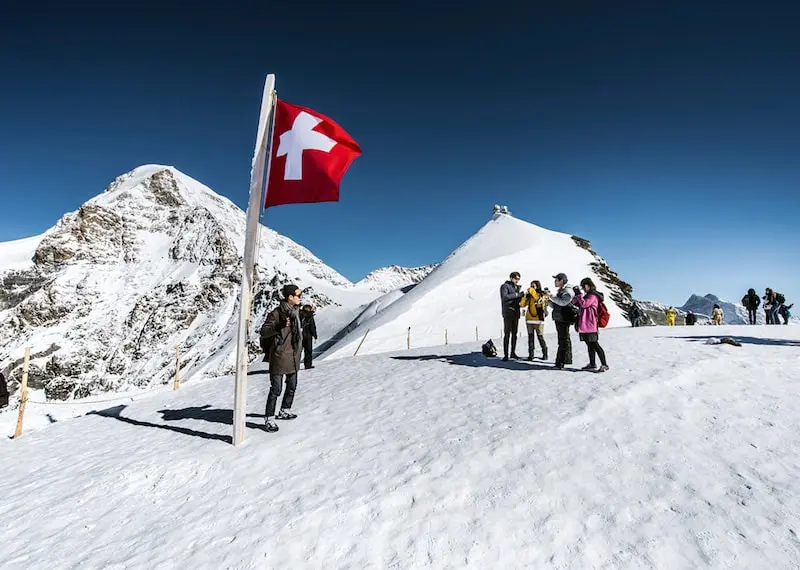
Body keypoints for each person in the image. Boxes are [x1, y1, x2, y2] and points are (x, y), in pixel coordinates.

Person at [259, 284, 303, 433]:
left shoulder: (296, 312)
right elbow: (264, 331)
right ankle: (269, 418)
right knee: (276, 389)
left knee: (292, 386)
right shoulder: (276, 313)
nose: (300, 298)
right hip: (279, 356)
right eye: (298, 295)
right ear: (290, 297)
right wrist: (277, 327)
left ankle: (284, 409)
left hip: (293, 355)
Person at [572, 277, 610, 372]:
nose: (583, 288)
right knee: (590, 345)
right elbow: (577, 303)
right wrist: (576, 297)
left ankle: (604, 364)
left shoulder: (593, 296)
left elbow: (584, 304)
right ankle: (592, 363)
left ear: (588, 285)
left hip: (590, 324)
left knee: (595, 345)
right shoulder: (587, 295)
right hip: (585, 325)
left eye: (584, 286)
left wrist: (579, 295)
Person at [547, 273, 574, 370]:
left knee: (563, 340)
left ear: (561, 281)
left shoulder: (567, 291)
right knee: (563, 339)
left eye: (556, 280)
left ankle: (560, 362)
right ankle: (564, 360)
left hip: (563, 318)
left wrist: (551, 297)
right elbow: (556, 305)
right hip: (560, 317)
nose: (555, 282)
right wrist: (548, 300)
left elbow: (563, 302)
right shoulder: (562, 291)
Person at [520, 280, 548, 361]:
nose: (531, 288)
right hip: (529, 320)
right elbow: (522, 305)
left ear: (538, 286)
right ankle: (531, 355)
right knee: (530, 338)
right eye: (531, 286)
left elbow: (539, 300)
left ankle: (545, 353)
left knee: (540, 337)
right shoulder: (529, 296)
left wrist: (532, 291)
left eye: (534, 286)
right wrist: (525, 296)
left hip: (538, 320)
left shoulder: (542, 294)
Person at [500, 272, 525, 361]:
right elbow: (505, 297)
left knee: (514, 334)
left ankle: (512, 353)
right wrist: (517, 295)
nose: (517, 280)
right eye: (516, 278)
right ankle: (506, 355)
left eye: (518, 279)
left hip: (516, 313)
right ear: (511, 278)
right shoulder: (505, 286)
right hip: (508, 312)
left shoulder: (517, 287)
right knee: (507, 334)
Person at [300, 304, 318, 369]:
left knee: (298, 351)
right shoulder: (310, 316)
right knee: (308, 351)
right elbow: (312, 327)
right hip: (308, 336)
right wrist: (315, 336)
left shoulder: (299, 315)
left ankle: (294, 366)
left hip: (300, 336)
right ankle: (308, 365)